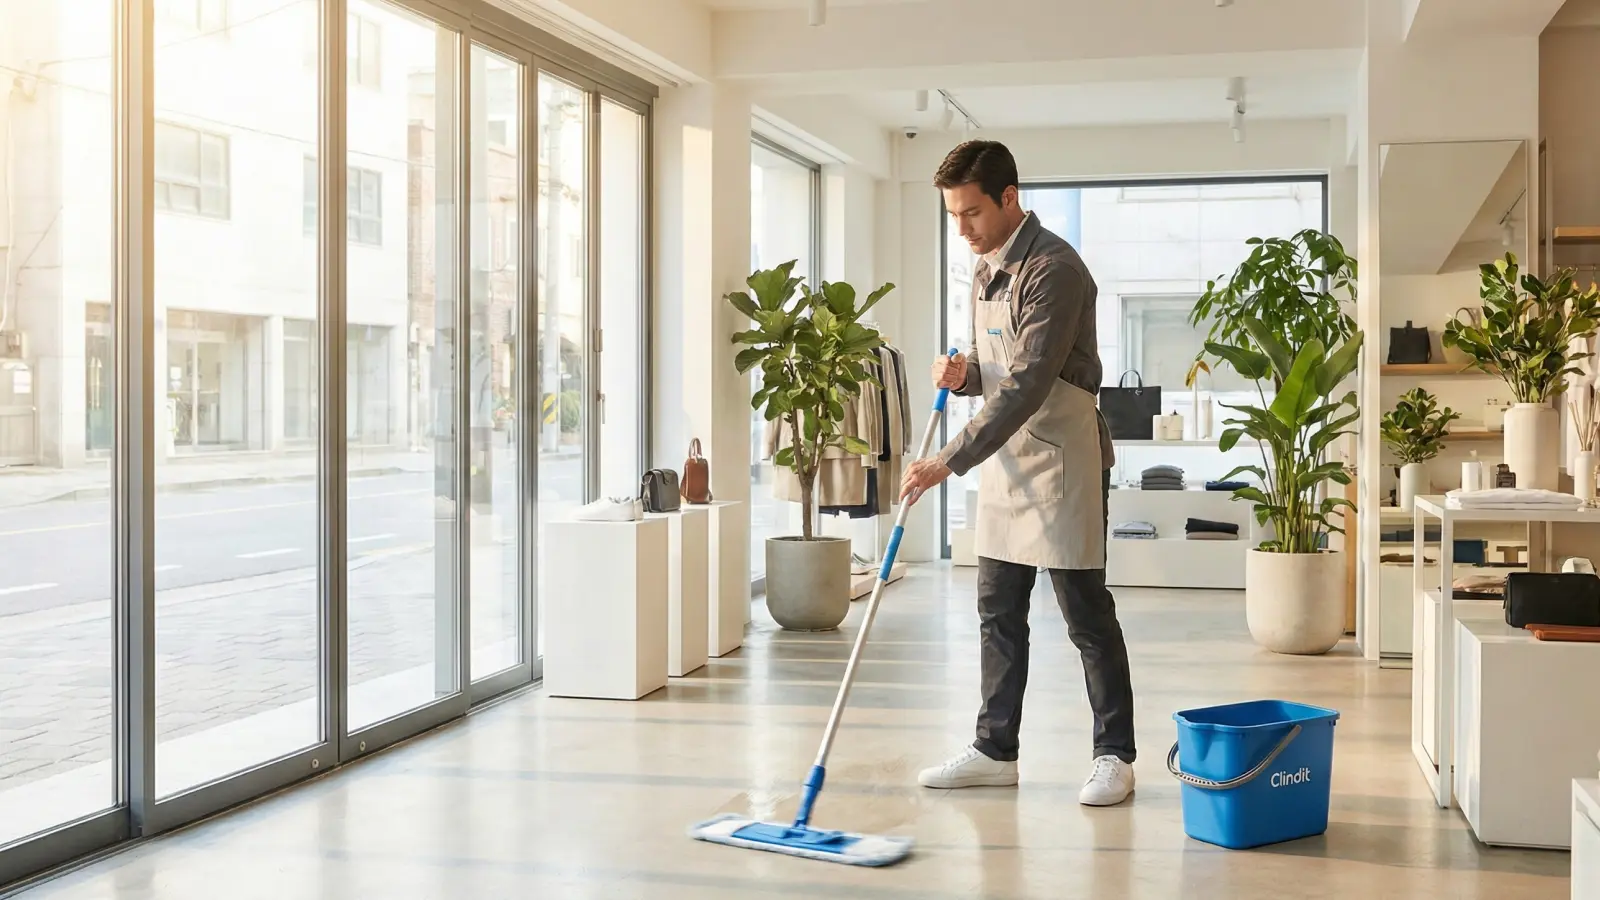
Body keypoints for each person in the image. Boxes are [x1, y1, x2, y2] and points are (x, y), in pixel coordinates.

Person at [898, 140, 1137, 807]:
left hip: (1061, 461)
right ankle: (994, 749)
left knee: (1085, 615)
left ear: (1009, 198)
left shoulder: (1055, 268)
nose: (963, 229)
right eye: (953, 216)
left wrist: (949, 458)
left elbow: (1032, 380)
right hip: (1006, 462)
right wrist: (966, 374)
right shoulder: (984, 271)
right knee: (998, 612)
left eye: (971, 213)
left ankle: (1115, 755)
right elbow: (996, 370)